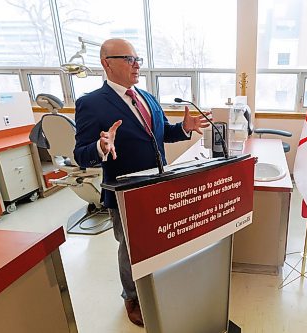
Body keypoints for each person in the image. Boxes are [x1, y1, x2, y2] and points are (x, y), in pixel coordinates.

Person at [73, 38, 209, 327]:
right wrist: (100, 148)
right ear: (106, 63)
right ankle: (131, 297)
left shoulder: (147, 97)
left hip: (159, 187)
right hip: (125, 193)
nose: (136, 65)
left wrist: (184, 129)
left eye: (138, 59)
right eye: (128, 59)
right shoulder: (90, 104)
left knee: (159, 240)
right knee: (130, 248)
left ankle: (158, 283)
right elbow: (80, 155)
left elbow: (160, 135)